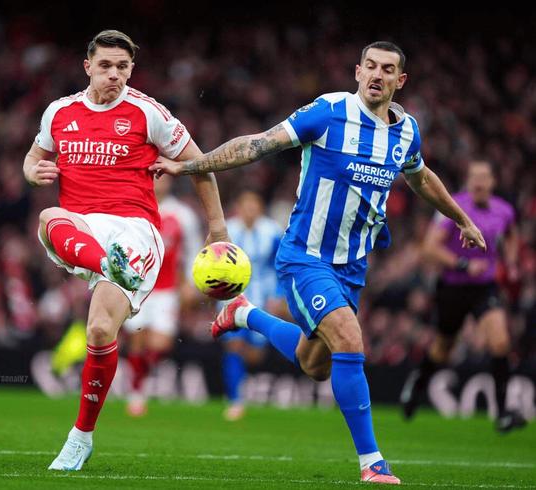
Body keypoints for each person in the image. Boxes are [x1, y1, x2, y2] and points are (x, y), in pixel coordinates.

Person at [150, 41, 487, 485]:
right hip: (305, 257)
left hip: (352, 267)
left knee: (315, 365)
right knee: (349, 337)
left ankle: (245, 314)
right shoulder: (329, 112)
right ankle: (372, 462)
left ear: (400, 80)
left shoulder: (407, 132)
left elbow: (420, 177)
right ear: (357, 72)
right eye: (370, 66)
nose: (377, 75)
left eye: (387, 69)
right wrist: (191, 166)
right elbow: (259, 144)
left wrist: (461, 219)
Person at [23, 30, 228, 471]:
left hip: (133, 231)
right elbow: (32, 158)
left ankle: (80, 437)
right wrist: (32, 171)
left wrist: (217, 227)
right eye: (105, 66)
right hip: (83, 229)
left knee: (100, 330)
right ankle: (106, 265)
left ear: (131, 69)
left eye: (122, 67)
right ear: (88, 67)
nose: (114, 74)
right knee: (48, 216)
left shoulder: (148, 112)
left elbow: (202, 164)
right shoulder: (59, 112)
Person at [400, 160, 526, 433]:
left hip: (484, 287)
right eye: (474, 178)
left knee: (500, 342)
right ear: (468, 182)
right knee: (443, 348)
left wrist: (511, 262)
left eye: (484, 177)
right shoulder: (453, 206)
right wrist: (463, 264)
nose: (479, 183)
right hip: (453, 287)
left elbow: (512, 234)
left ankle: (503, 413)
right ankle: (417, 385)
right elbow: (429, 248)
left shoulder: (503, 210)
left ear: (492, 182)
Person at [123, 174, 202, 417]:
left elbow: (194, 249)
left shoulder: (182, 214)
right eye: (155, 178)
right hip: (136, 287)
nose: (159, 182)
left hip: (167, 290)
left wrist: (190, 283)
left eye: (163, 178)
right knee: (137, 339)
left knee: (160, 343)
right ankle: (136, 393)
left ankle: (140, 382)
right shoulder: (133, 208)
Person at [219, 189, 285, 421]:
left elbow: (282, 264)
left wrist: (278, 295)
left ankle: (241, 384)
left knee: (255, 354)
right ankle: (235, 400)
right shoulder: (227, 230)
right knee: (234, 345)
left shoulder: (272, 231)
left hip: (263, 296)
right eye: (246, 205)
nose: (250, 210)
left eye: (254, 205)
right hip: (233, 295)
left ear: (260, 208)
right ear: (239, 207)